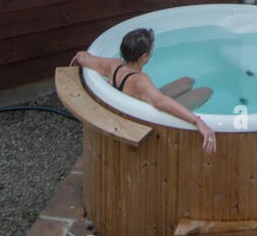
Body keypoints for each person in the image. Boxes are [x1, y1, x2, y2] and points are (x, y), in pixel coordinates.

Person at [70, 27, 217, 153]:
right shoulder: (140, 80)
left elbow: (83, 57)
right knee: (206, 90)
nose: (152, 51)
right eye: (151, 50)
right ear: (144, 57)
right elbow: (160, 102)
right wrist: (198, 122)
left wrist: (79, 57)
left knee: (188, 81)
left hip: (138, 98)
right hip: (149, 114)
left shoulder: (114, 65)